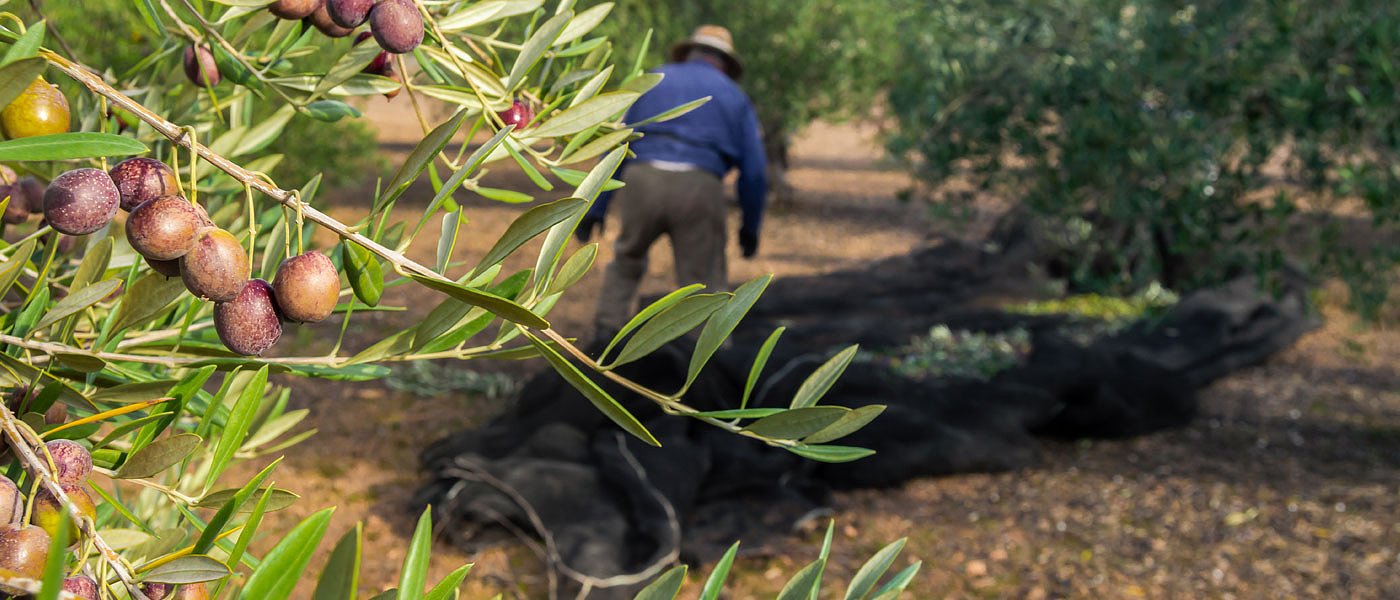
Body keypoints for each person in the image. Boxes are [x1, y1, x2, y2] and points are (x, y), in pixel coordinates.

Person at [575, 25, 767, 333]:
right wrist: (751, 226)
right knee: (703, 282)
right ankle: (704, 357)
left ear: (689, 53)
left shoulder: (654, 80)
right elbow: (755, 171)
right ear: (726, 63)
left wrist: (595, 208)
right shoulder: (734, 95)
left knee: (627, 259)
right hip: (699, 185)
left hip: (643, 179)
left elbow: (616, 143)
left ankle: (604, 339)